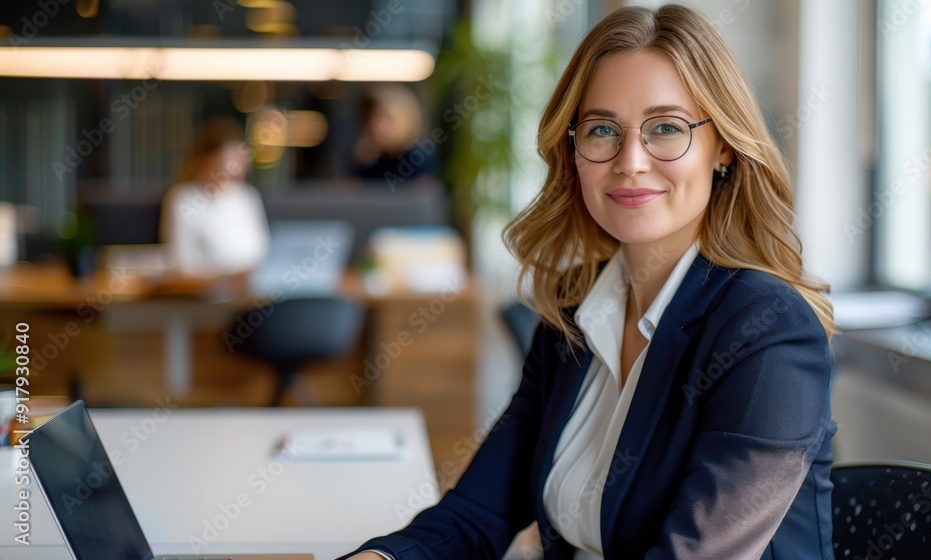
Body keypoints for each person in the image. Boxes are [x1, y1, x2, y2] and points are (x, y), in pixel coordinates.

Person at [341, 4, 837, 559]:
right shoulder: (573, 309)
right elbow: (478, 514)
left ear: (722, 146)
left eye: (667, 128)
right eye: (602, 129)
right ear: (573, 149)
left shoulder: (768, 331)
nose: (630, 160)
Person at [158, 118, 270, 289]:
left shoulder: (248, 197)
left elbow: (261, 252)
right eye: (229, 161)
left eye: (241, 160)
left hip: (251, 292)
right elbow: (181, 265)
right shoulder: (183, 199)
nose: (237, 169)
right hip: (207, 298)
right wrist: (225, 277)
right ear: (205, 161)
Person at [351, 84, 431, 183]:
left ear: (403, 120)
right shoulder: (372, 159)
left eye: (384, 119)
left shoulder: (417, 158)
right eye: (370, 119)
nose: (375, 127)